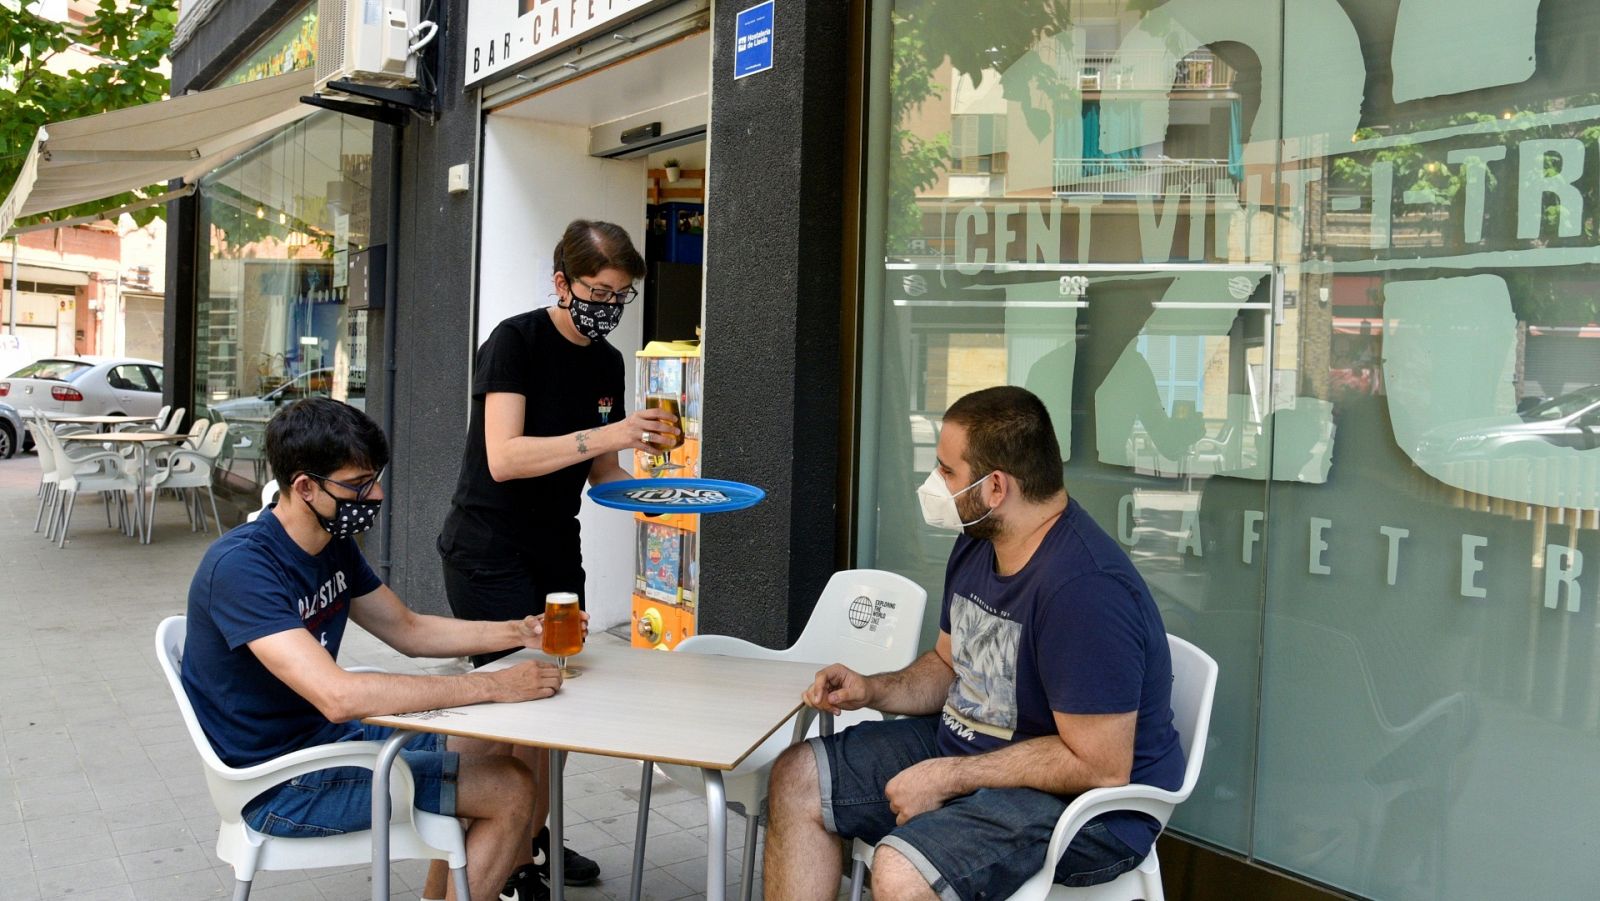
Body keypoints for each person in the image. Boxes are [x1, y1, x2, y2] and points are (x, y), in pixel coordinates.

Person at [765, 386, 1186, 901]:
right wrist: (871, 689)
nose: (934, 483)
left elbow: (1100, 764)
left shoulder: (1085, 590)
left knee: (901, 870)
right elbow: (948, 665)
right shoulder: (978, 542)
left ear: (995, 488)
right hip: (981, 750)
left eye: (946, 470)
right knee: (796, 777)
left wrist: (950, 777)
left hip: (1093, 810)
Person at [182, 398, 575, 901]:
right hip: (278, 782)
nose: (376, 494)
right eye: (358, 484)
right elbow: (338, 696)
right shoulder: (242, 569)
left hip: (326, 740)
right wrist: (491, 684)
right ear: (305, 487)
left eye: (375, 478)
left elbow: (408, 630)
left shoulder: (329, 542)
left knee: (491, 736)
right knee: (511, 788)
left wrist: (518, 633)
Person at [438, 219, 677, 887]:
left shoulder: (606, 364)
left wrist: (661, 497)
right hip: (487, 548)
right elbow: (505, 457)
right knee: (510, 703)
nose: (607, 307)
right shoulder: (515, 342)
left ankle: (528, 836)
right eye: (597, 292)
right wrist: (614, 431)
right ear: (562, 282)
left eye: (620, 296)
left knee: (558, 704)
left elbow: (605, 475)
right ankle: (473, 840)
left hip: (554, 553)